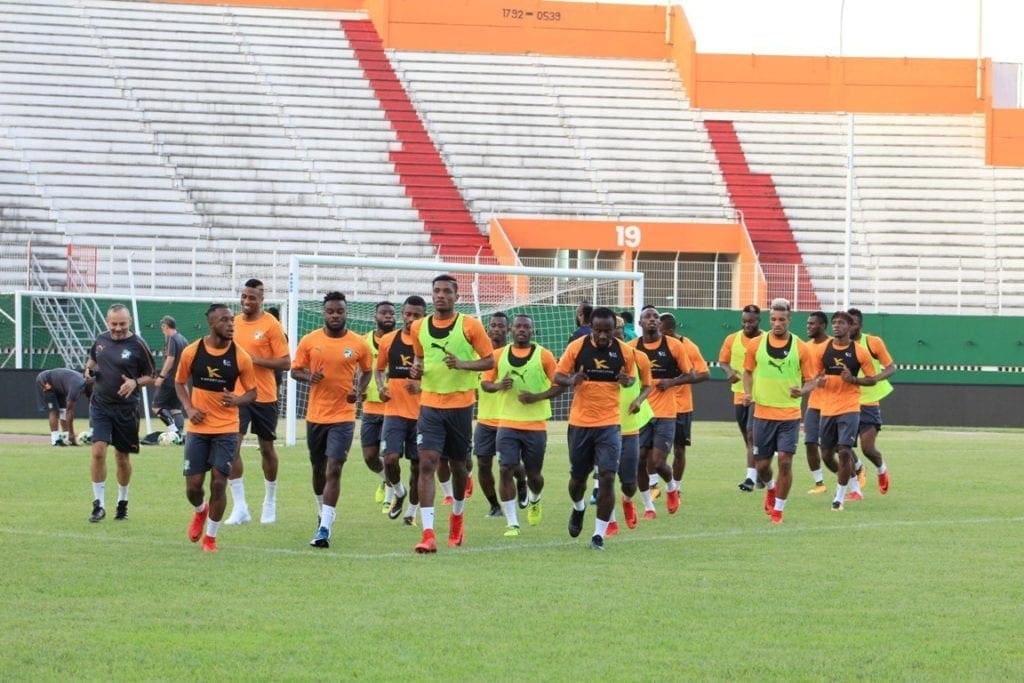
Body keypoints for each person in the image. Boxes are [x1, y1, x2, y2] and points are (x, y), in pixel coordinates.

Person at [408, 274, 495, 553]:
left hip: (460, 406)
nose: (441, 295)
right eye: (437, 291)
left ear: (457, 297)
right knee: (426, 463)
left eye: (447, 291)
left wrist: (462, 364)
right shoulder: (419, 327)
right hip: (430, 405)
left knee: (458, 466)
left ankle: (457, 516)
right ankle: (428, 533)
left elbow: (489, 360)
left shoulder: (470, 326)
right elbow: (419, 360)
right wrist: (416, 371)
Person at [289, 292, 372, 548]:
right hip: (315, 416)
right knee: (318, 468)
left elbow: (367, 371)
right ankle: (321, 509)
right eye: (330, 311)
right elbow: (294, 371)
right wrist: (308, 377)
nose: (335, 315)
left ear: (346, 313)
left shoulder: (358, 344)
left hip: (343, 417)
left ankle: (325, 528)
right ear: (324, 313)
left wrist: (358, 390)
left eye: (340, 311)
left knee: (334, 467)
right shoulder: (310, 340)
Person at [176, 304, 258, 553]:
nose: (231, 324)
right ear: (212, 324)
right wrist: (189, 409)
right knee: (193, 487)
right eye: (225, 320)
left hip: (227, 428)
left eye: (232, 320)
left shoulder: (240, 356)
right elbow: (179, 383)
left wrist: (237, 400)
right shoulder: (192, 352)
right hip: (199, 429)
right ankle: (200, 511)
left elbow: (253, 392)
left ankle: (210, 538)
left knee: (219, 484)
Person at [555, 306, 637, 550]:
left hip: (610, 424)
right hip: (580, 423)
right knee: (578, 479)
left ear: (615, 329)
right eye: (599, 331)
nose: (603, 336)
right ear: (591, 327)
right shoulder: (577, 347)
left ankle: (599, 535)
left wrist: (627, 381)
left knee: (608, 477)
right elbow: (559, 376)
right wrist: (571, 380)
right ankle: (578, 507)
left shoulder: (625, 351)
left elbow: (631, 378)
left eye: (608, 331)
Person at [480, 314, 563, 537]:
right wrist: (498, 386)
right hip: (506, 422)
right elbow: (485, 384)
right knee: (505, 468)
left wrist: (537, 397)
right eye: (518, 326)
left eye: (527, 327)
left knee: (534, 475)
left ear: (533, 331)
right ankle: (512, 523)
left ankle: (535, 499)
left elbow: (559, 385)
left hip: (535, 426)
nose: (522, 330)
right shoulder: (498, 355)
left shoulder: (544, 355)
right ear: (511, 331)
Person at [741, 298, 816, 524]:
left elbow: (813, 380)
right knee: (763, 466)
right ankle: (771, 488)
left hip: (789, 416)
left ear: (789, 320)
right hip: (762, 414)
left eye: (782, 319)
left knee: (785, 460)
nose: (777, 323)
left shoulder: (801, 347)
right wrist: (747, 393)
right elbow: (747, 371)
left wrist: (802, 391)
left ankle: (779, 510)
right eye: (773, 319)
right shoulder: (756, 345)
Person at [225, 278, 291, 526]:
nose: (246, 301)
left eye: (252, 297)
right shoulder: (234, 323)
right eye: (244, 297)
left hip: (264, 396)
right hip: (239, 396)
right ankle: (240, 507)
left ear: (261, 299)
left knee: (266, 449)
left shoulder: (271, 325)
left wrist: (255, 360)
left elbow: (286, 362)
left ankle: (270, 500)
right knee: (232, 447)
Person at [83, 304, 157, 522]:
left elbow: (152, 375)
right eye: (113, 324)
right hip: (100, 405)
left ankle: (122, 503)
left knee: (121, 457)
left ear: (130, 322)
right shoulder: (101, 340)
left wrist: (135, 382)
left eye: (122, 324)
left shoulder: (138, 344)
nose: (117, 328)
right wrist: (88, 370)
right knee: (98, 451)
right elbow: (92, 360)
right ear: (107, 321)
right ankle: (98, 505)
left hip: (126, 408)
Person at [806, 311, 877, 511]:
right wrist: (817, 381)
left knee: (844, 450)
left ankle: (839, 498)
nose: (836, 325)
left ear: (849, 326)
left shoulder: (860, 352)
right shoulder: (823, 351)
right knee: (827, 455)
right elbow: (815, 377)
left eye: (841, 323)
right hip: (827, 408)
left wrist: (854, 379)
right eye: (834, 322)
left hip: (850, 407)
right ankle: (854, 485)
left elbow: (872, 379)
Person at [629, 305, 694, 518]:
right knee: (639, 460)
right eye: (647, 316)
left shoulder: (674, 346)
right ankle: (648, 506)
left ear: (659, 323)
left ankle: (671, 487)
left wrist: (672, 382)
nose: (652, 319)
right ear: (640, 323)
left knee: (657, 462)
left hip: (666, 412)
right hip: (641, 412)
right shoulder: (631, 348)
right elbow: (625, 376)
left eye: (655, 316)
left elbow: (690, 374)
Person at [375, 295, 428, 525]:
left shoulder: (429, 342)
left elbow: (441, 375)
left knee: (418, 467)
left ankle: (412, 512)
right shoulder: (388, 340)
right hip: (394, 412)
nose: (411, 319)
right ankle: (398, 492)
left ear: (424, 317)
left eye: (416, 315)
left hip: (422, 414)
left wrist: (421, 385)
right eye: (408, 314)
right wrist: (380, 388)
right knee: (390, 459)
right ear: (402, 314)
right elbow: (378, 370)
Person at [472, 312, 528, 518]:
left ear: (508, 330)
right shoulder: (479, 355)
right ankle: (494, 505)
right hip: (485, 418)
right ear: (488, 328)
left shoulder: (514, 354)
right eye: (493, 325)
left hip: (508, 418)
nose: (496, 329)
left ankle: (522, 482)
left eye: (501, 326)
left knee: (510, 464)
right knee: (483, 463)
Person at [658, 312, 710, 501]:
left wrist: (676, 381)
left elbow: (704, 374)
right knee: (653, 451)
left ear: (670, 330)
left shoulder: (688, 347)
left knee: (679, 450)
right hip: (658, 408)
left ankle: (676, 488)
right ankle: (654, 484)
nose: (658, 334)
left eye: (661, 330)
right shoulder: (653, 346)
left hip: (681, 407)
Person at [848, 308, 896, 496]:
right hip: (846, 404)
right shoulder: (837, 345)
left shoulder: (873, 342)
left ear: (859, 325)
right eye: (845, 322)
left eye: (851, 323)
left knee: (867, 448)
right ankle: (855, 487)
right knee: (842, 448)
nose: (848, 326)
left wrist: (876, 377)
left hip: (868, 404)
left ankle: (881, 469)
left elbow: (891, 367)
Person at [718, 304, 764, 492]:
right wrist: (729, 372)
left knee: (752, 434)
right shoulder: (732, 339)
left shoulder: (767, 339)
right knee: (748, 437)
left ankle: (750, 479)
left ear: (759, 321)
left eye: (751, 321)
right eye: (744, 321)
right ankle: (761, 469)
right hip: (739, 393)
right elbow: (722, 361)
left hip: (759, 394)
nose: (747, 324)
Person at [360, 301, 396, 511]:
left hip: (393, 406)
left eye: (391, 313)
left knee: (388, 454)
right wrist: (358, 388)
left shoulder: (401, 341)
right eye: (383, 313)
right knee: (370, 457)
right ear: (375, 317)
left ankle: (390, 496)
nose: (388, 316)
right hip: (369, 407)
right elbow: (357, 369)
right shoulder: (364, 342)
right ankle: (386, 480)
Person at [802, 311, 834, 493]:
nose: (808, 327)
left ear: (822, 326)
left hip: (833, 404)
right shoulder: (805, 347)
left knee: (834, 447)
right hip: (814, 404)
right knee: (810, 442)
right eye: (808, 324)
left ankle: (857, 470)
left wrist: (827, 379)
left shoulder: (833, 345)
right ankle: (819, 483)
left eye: (812, 324)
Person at [148, 315, 189, 444]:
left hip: (170, 379)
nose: (162, 330)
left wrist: (161, 376)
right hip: (180, 380)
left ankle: (174, 432)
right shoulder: (183, 339)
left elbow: (170, 359)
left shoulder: (171, 338)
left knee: (156, 406)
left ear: (165, 326)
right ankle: (180, 436)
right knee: (175, 409)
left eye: (162, 327)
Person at [36, 367, 91, 446]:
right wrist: (71, 434)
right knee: (54, 411)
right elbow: (70, 411)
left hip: (58, 386)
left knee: (63, 411)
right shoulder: (77, 386)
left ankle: (66, 439)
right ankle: (55, 440)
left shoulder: (85, 384)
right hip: (46, 380)